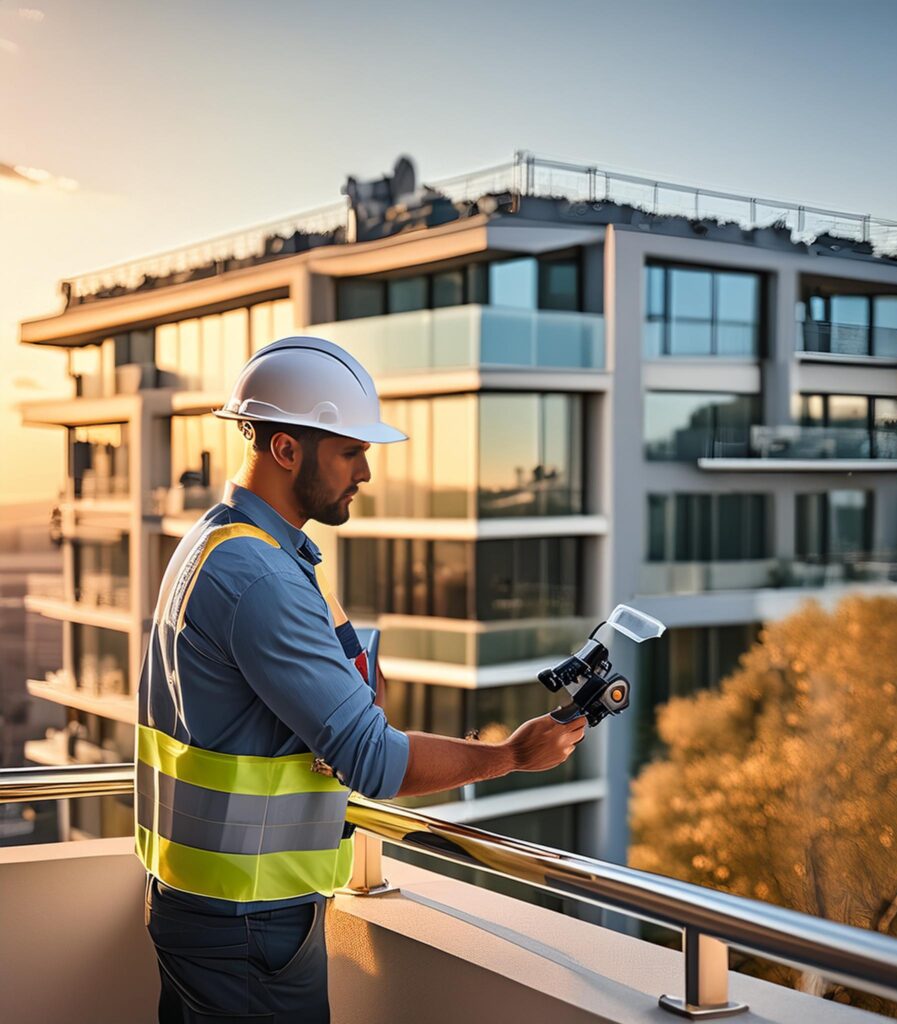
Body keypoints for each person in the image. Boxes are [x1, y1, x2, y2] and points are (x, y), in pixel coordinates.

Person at [135, 336, 585, 1023]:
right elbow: (373, 759)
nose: (365, 471)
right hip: (248, 927)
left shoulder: (217, 543)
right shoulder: (259, 577)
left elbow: (282, 707)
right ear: (287, 449)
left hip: (202, 908)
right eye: (350, 450)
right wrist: (510, 757)